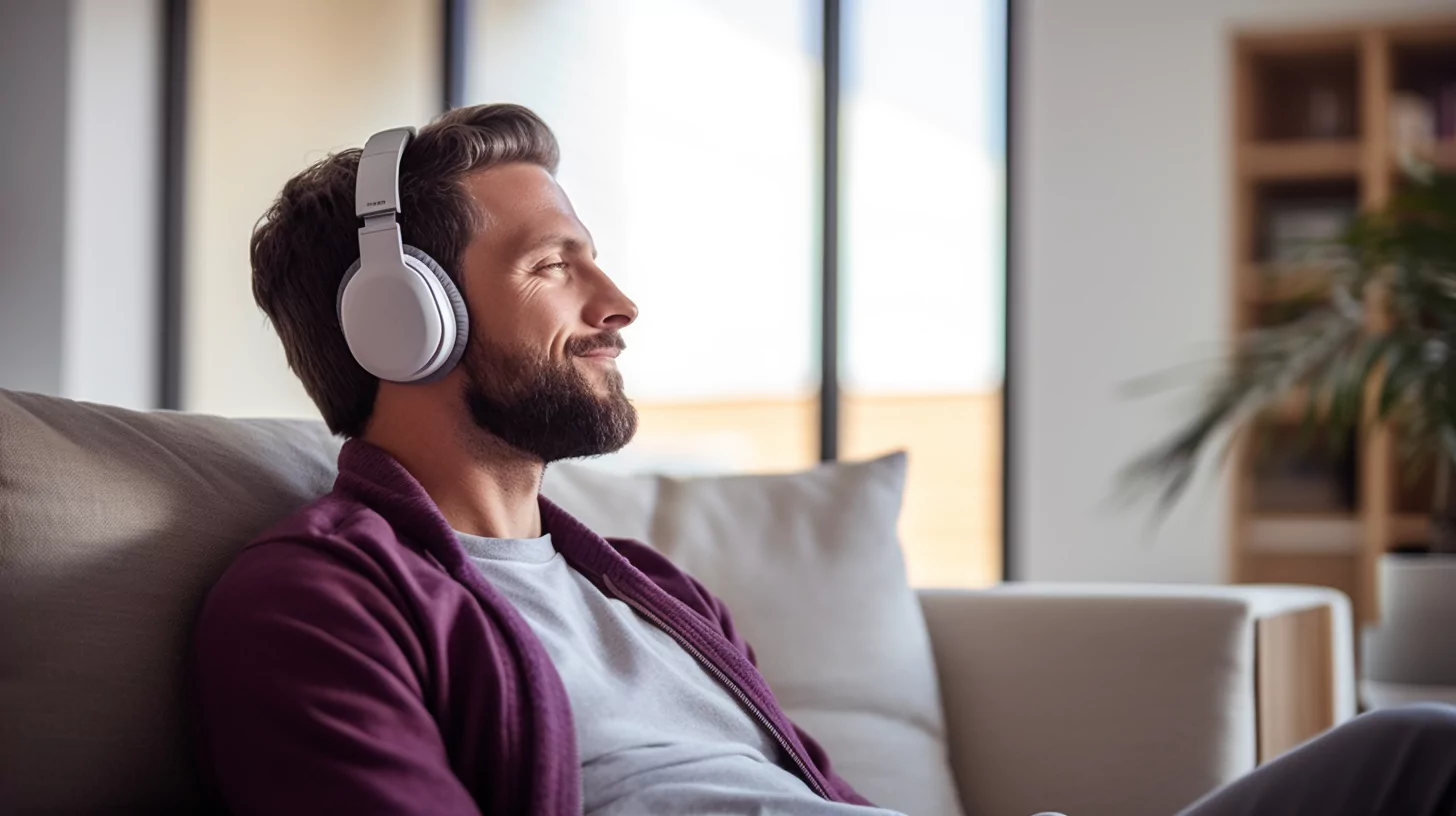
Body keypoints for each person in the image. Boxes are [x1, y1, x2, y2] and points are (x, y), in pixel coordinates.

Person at [189, 103, 1456, 816]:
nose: (618, 301)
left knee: (1417, 744)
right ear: (403, 322)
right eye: (554, 265)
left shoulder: (645, 588)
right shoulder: (317, 602)